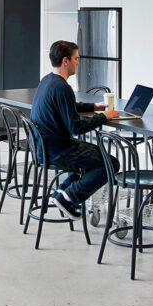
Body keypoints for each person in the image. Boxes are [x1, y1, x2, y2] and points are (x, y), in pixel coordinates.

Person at [29, 40, 120, 221]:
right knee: (111, 163)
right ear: (65, 61)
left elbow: (67, 107)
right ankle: (71, 197)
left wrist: (94, 107)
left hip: (43, 148)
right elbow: (76, 128)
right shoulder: (63, 87)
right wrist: (104, 117)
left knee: (92, 157)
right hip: (58, 151)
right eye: (76, 59)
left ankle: (63, 191)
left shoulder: (47, 81)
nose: (78, 63)